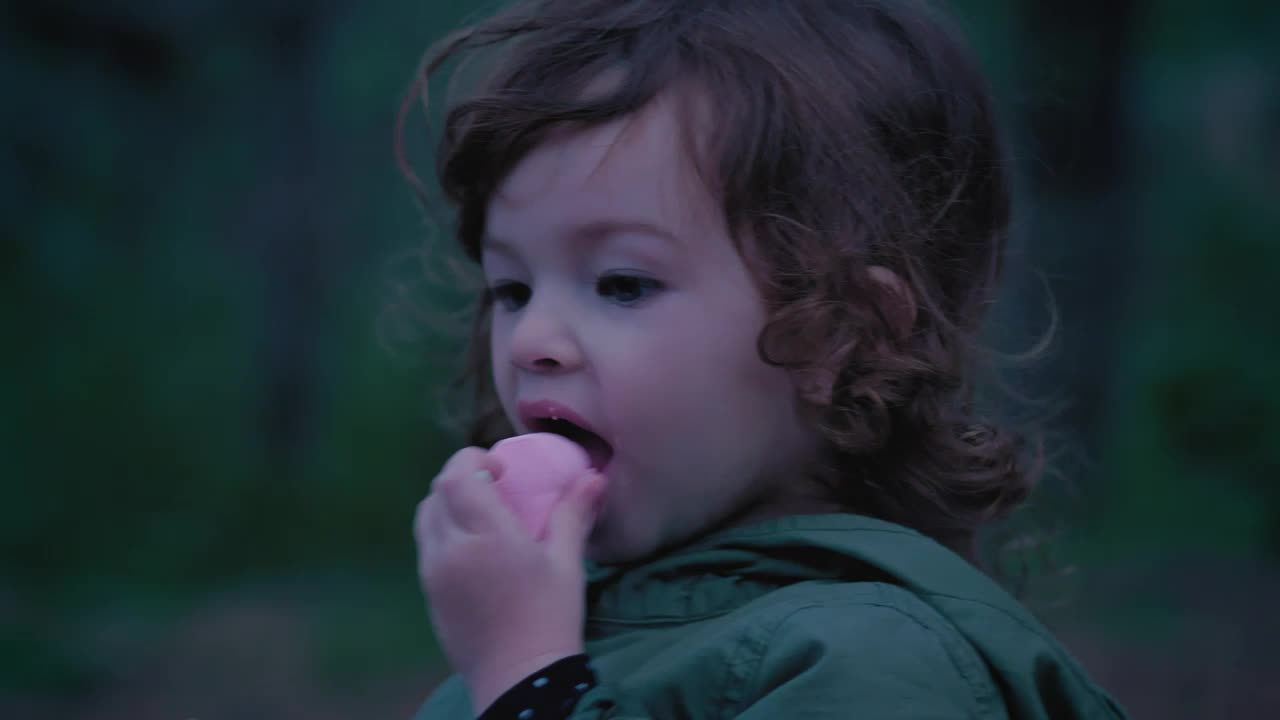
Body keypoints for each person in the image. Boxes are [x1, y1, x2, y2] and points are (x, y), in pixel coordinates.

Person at [401, 0, 1128, 717]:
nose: (530, 340)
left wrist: (528, 683)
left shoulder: (870, 663)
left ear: (840, 334)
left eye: (622, 284)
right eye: (513, 288)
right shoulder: (547, 633)